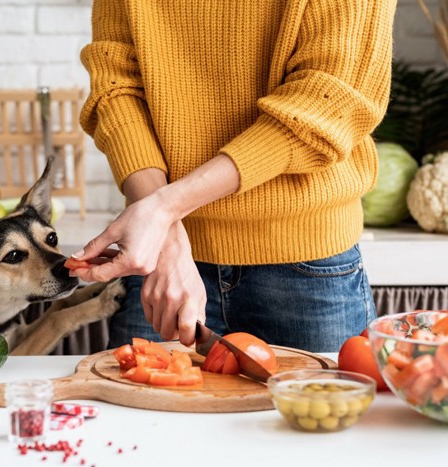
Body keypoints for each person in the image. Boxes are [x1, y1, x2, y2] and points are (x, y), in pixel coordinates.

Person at [71, 1, 396, 353]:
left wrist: (163, 212)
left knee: (316, 408)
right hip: (161, 261)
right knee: (138, 406)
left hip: (305, 267)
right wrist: (166, 238)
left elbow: (327, 102)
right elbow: (116, 87)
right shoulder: (163, 241)